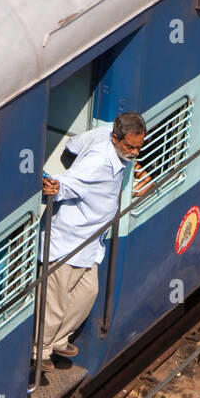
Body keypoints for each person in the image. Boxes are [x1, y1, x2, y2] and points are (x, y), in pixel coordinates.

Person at [39, 112, 146, 371]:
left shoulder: (104, 135)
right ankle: (39, 352)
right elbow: (65, 183)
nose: (134, 153)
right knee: (55, 303)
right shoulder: (98, 162)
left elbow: (71, 147)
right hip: (67, 242)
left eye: (138, 147)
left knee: (88, 293)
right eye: (130, 147)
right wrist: (56, 187)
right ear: (115, 138)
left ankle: (59, 339)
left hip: (88, 242)